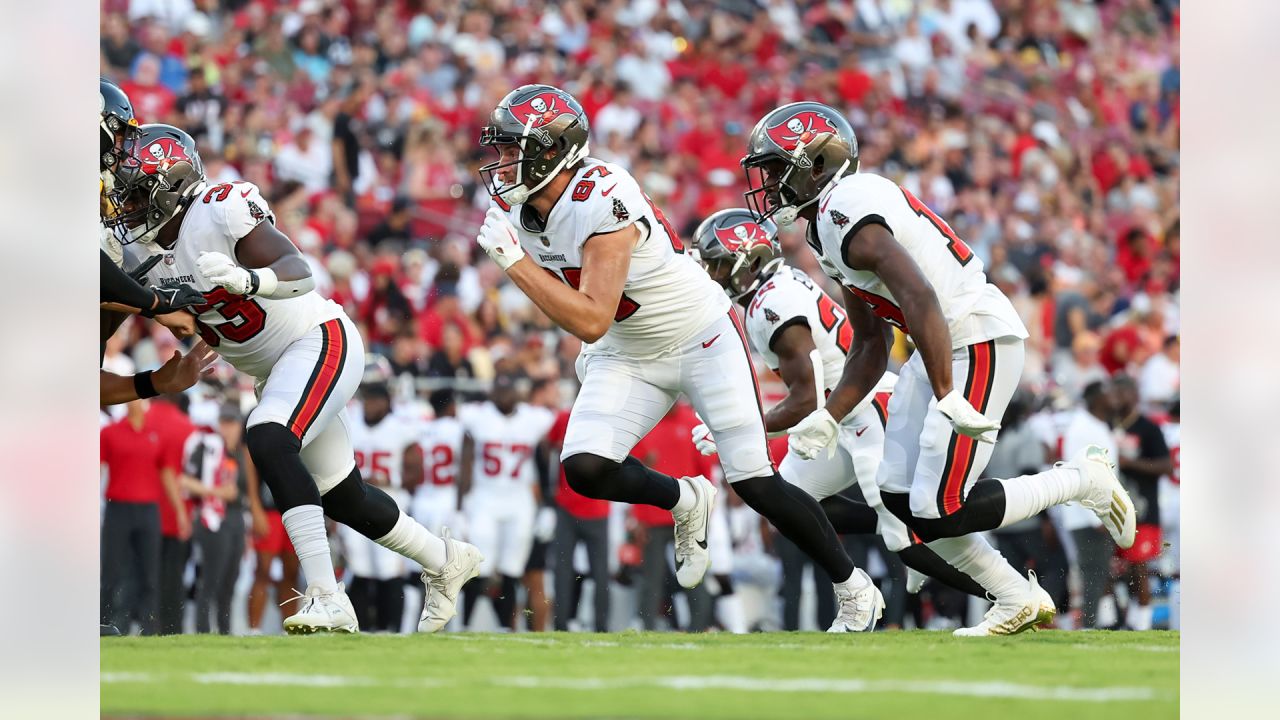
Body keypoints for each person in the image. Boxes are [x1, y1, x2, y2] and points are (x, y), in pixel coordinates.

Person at [474, 84, 883, 633]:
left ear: (551, 151)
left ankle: (853, 587)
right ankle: (684, 498)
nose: (500, 162)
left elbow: (591, 315)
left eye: (510, 148)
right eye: (498, 148)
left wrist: (514, 264)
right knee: (586, 467)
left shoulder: (601, 192)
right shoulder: (518, 205)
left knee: (756, 480)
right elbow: (594, 320)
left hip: (699, 335)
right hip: (627, 349)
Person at [741, 101, 1136, 636]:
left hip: (972, 338)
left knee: (939, 508)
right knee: (902, 499)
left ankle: (1079, 480)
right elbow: (871, 343)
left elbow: (920, 296)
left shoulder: (845, 207)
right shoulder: (828, 224)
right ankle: (1017, 598)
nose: (768, 184)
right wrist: (829, 416)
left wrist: (947, 392)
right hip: (940, 347)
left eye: (776, 170)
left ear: (815, 165)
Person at [108, 124, 481, 634]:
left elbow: (297, 268)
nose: (120, 207)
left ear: (165, 186)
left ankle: (329, 597)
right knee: (343, 496)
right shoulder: (134, 259)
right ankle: (444, 559)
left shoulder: (218, 207)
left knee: (267, 435)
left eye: (130, 195)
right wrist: (155, 380)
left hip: (318, 339)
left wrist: (249, 280)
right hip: (276, 371)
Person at [690, 208, 988, 601]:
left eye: (716, 265)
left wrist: (735, 429)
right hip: (842, 415)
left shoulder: (770, 305)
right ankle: (905, 524)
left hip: (866, 409)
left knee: (904, 540)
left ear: (746, 262)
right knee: (790, 498)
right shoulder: (776, 286)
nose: (710, 275)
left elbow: (805, 400)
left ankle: (1005, 596)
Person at [457, 375, 556, 630]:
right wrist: (459, 507)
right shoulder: (477, 416)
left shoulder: (533, 419)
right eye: (499, 392)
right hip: (484, 498)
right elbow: (465, 461)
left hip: (519, 500)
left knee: (512, 568)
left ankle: (505, 626)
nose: (503, 397)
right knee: (479, 565)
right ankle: (467, 624)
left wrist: (548, 505)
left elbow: (545, 462)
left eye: (507, 392)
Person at [340, 380, 425, 632]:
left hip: (390, 502)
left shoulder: (400, 429)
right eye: (368, 400)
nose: (371, 405)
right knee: (360, 568)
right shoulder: (351, 425)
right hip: (355, 503)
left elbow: (416, 474)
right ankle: (363, 627)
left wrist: (390, 479)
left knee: (389, 569)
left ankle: (394, 628)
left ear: (387, 403)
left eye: (377, 401)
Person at [100, 399, 188, 635]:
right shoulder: (110, 432)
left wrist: (179, 510)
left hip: (149, 509)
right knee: (111, 570)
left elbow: (167, 472)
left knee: (149, 572)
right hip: (118, 508)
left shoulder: (156, 434)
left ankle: (149, 628)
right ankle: (104, 622)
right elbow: (97, 468)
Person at [1111, 374, 1173, 631]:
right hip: (1113, 508)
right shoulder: (1107, 425)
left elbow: (1166, 465)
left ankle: (1144, 621)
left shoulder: (1148, 428)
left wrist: (1131, 464)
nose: (1115, 399)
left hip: (1143, 507)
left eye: (1120, 393)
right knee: (1114, 567)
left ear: (1134, 396)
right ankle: (1119, 618)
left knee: (1139, 565)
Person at [546, 407, 612, 632]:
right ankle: (565, 623)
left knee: (597, 573)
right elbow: (546, 446)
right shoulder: (566, 417)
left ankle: (598, 624)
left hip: (593, 506)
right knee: (566, 571)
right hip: (575, 504)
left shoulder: (570, 417)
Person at [1060, 380, 1119, 629]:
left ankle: (1099, 622)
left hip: (1099, 511)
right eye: (1108, 393)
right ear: (1095, 398)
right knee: (1091, 572)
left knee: (1100, 570)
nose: (1113, 397)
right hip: (1087, 515)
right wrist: (1095, 517)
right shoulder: (1081, 428)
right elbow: (1079, 474)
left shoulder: (1097, 425)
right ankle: (1087, 624)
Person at [183, 403, 244, 635]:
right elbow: (185, 480)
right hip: (213, 517)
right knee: (210, 580)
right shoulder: (207, 449)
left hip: (237, 517)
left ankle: (225, 632)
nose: (228, 429)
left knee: (229, 583)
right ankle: (203, 631)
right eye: (224, 423)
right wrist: (217, 492)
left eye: (232, 423)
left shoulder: (239, 453)